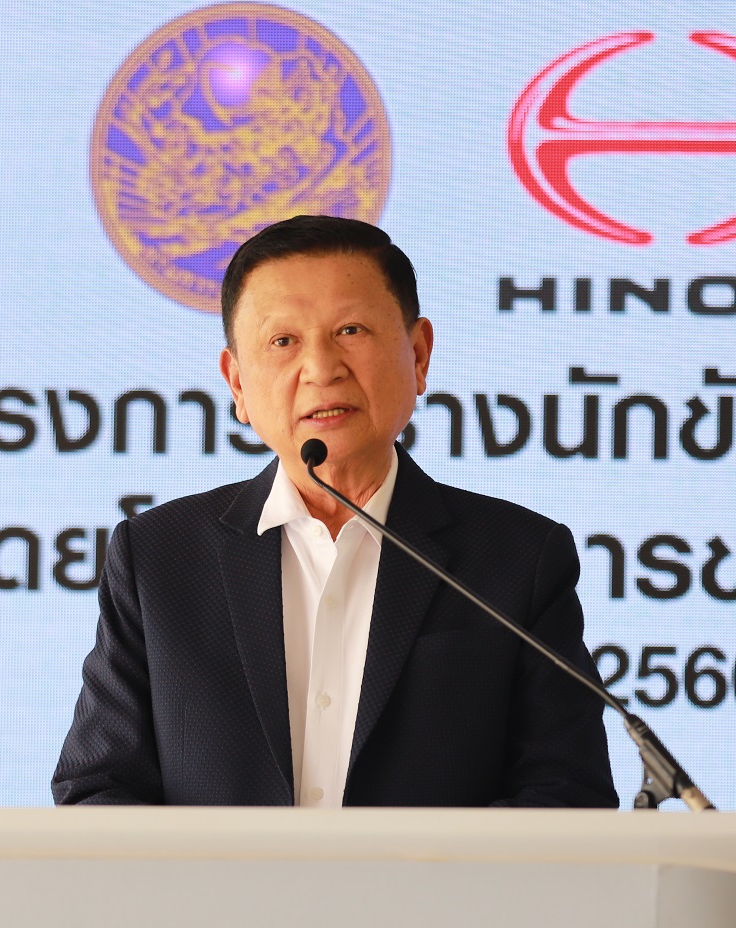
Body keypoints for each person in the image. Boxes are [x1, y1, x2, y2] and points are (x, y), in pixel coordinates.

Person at [52, 215, 614, 808]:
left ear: (419, 354)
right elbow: (96, 790)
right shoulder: (159, 558)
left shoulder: (518, 559)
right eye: (283, 341)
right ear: (237, 384)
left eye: (350, 330)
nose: (322, 369)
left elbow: (565, 796)